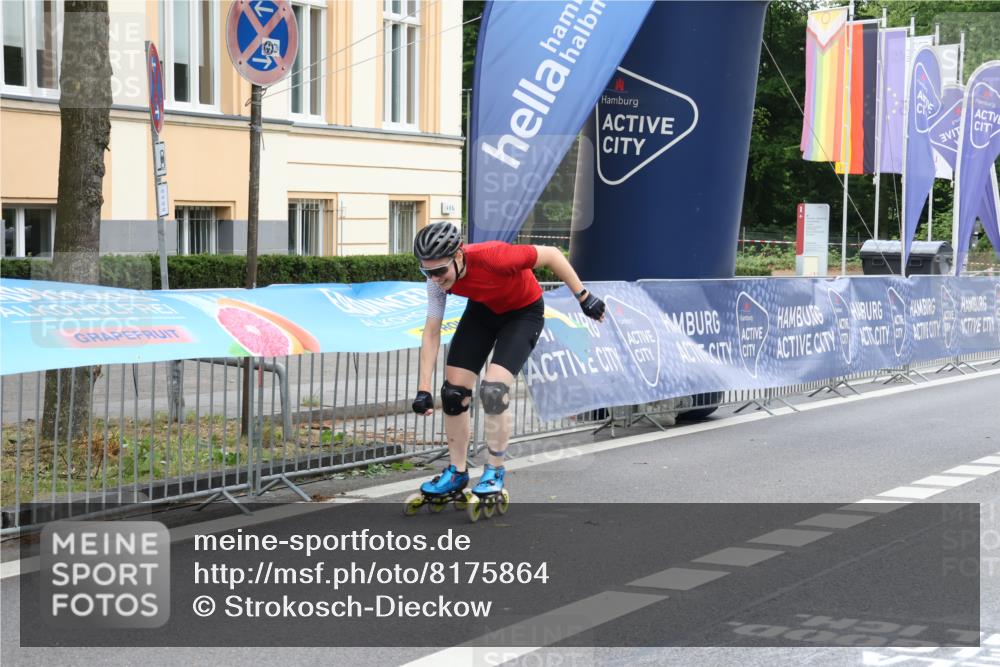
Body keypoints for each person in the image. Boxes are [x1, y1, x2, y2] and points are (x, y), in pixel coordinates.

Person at [410, 222, 606, 510]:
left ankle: (494, 470)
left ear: (459, 256)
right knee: (453, 393)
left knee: (493, 391)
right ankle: (456, 472)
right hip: (484, 312)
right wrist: (423, 389)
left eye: (440, 271)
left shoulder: (495, 256)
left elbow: (551, 254)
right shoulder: (435, 283)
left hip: (523, 313)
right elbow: (431, 332)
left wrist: (584, 297)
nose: (435, 278)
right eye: (427, 272)